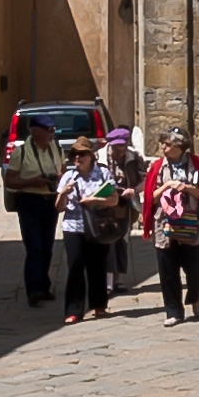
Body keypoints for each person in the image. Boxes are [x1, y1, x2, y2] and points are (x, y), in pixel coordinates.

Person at [140, 126, 199, 325]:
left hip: (191, 223)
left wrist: (187, 188)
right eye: (163, 143)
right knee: (167, 269)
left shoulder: (197, 165)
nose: (163, 147)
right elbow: (150, 197)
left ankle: (194, 298)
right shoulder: (157, 167)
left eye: (168, 143)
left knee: (193, 268)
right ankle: (173, 311)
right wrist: (167, 185)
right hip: (164, 224)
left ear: (180, 146)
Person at [2, 114, 66, 307]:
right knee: (34, 247)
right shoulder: (21, 152)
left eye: (52, 130)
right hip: (29, 201)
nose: (51, 133)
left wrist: (58, 178)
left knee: (47, 247)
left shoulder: (56, 148)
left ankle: (44, 286)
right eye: (48, 130)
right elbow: (9, 180)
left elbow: (63, 170)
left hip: (50, 201)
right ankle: (33, 289)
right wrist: (32, 181)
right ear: (35, 131)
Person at [55, 135, 119, 323]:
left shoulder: (103, 174)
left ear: (91, 156)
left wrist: (95, 200)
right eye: (74, 154)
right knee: (75, 266)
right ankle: (74, 310)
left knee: (97, 266)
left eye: (82, 154)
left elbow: (114, 199)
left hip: (97, 226)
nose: (77, 158)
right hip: (73, 227)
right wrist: (63, 194)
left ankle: (99, 305)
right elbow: (59, 208)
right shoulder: (68, 177)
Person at [103, 127, 147, 293]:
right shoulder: (99, 157)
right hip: (105, 205)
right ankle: (106, 282)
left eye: (122, 149)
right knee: (107, 241)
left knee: (122, 241)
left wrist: (134, 191)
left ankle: (117, 280)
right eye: (116, 149)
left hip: (126, 206)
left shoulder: (134, 158)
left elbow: (146, 179)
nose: (119, 153)